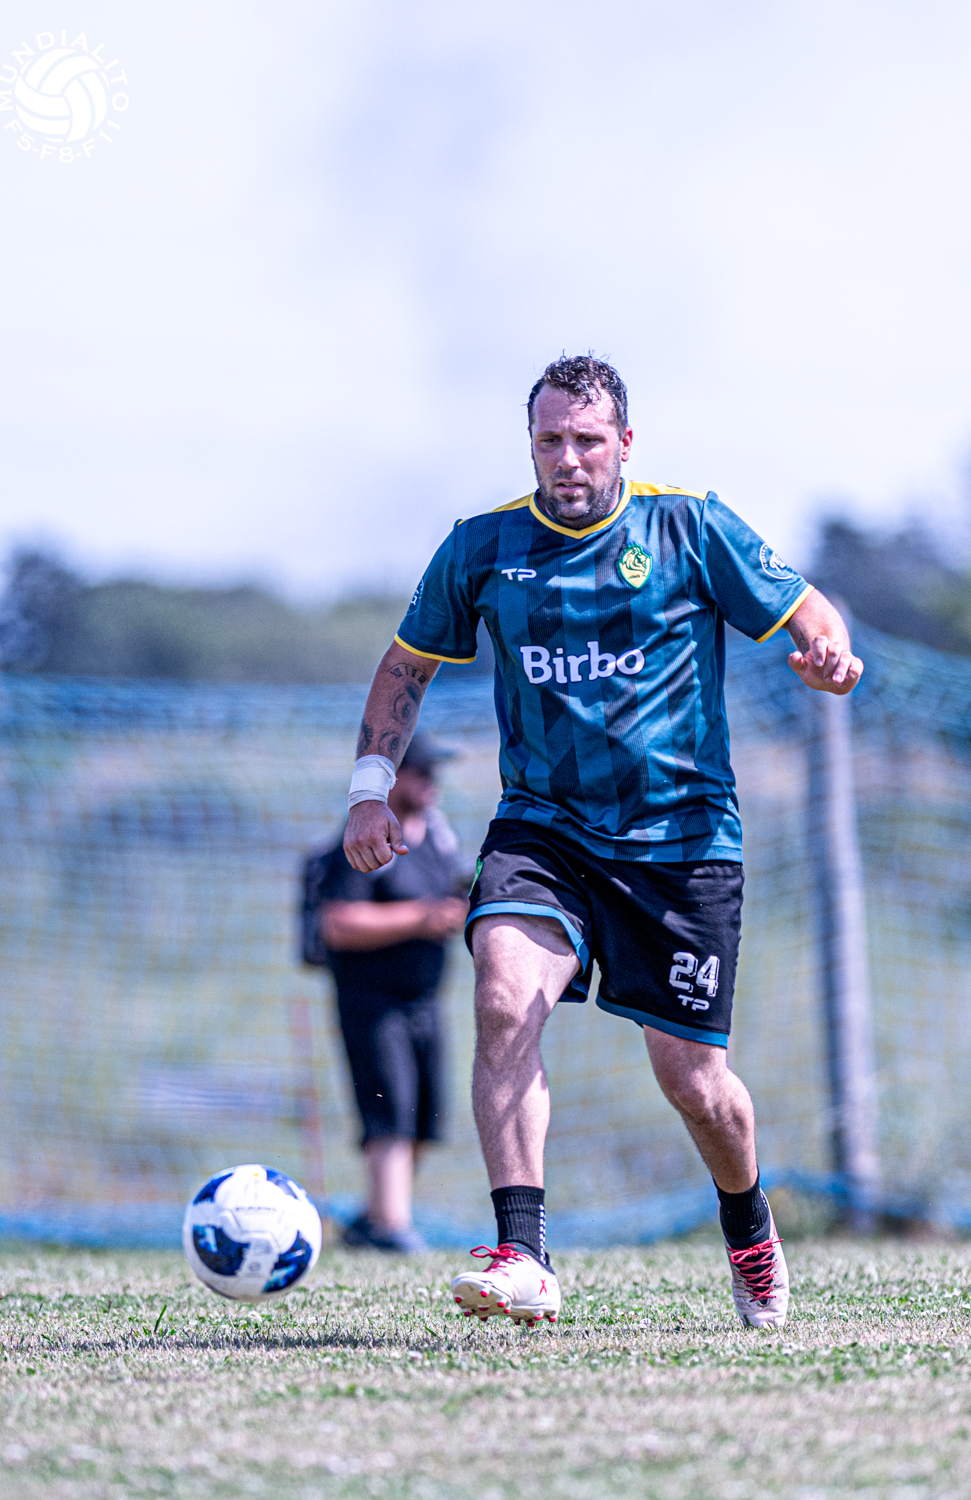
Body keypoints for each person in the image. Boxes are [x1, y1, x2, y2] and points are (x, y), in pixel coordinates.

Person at [342, 355, 862, 1326]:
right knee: (503, 997)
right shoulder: (482, 547)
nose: (568, 458)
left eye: (587, 440)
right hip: (543, 831)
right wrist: (370, 792)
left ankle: (748, 1225)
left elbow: (808, 612)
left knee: (694, 1082)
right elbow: (405, 667)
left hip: (681, 842)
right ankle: (524, 1255)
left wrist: (827, 654)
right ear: (531, 445)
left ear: (624, 442)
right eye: (550, 440)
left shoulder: (690, 527)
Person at [320, 732, 468, 1252]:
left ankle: (372, 1218)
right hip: (372, 1001)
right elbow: (338, 922)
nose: (431, 782)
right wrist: (420, 919)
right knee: (391, 1111)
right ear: (394, 777)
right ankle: (390, 1227)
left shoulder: (438, 840)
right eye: (421, 772)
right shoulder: (364, 841)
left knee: (424, 1117)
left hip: (425, 1001)